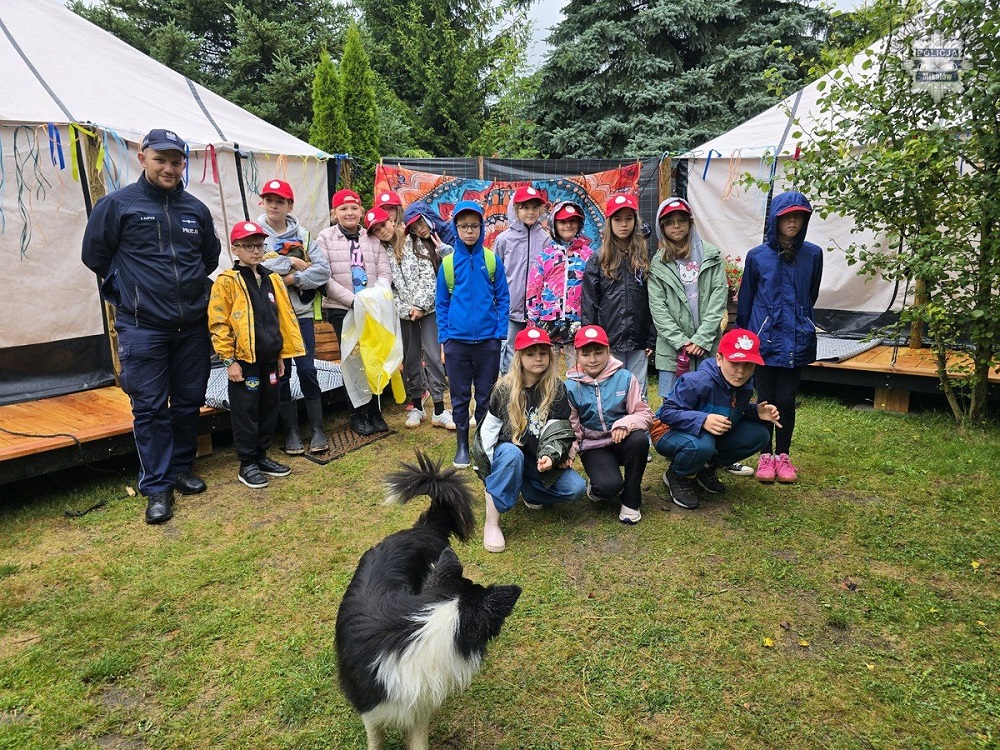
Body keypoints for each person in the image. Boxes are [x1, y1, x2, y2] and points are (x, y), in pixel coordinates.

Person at [82, 128, 221, 525]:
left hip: (191, 326)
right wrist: (130, 291)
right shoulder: (118, 205)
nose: (169, 168)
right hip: (143, 327)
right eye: (161, 159)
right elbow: (95, 255)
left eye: (176, 161)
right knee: (149, 407)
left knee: (188, 401)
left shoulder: (195, 209)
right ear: (142, 158)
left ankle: (180, 469)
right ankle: (157, 486)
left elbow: (208, 259)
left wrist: (190, 295)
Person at [209, 221, 306, 488]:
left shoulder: (272, 279)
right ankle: (247, 462)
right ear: (235, 249)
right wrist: (229, 360)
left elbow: (281, 319)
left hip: (270, 359)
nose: (255, 251)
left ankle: (262, 455)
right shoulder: (227, 282)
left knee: (268, 407)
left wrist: (281, 355)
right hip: (244, 361)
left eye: (259, 245)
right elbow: (219, 323)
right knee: (246, 411)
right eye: (248, 246)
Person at [475, 326, 587, 552]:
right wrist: (490, 476)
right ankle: (493, 521)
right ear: (519, 357)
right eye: (530, 353)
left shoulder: (556, 388)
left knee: (576, 488)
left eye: (543, 352)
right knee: (511, 453)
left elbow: (560, 429)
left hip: (537, 460)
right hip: (508, 456)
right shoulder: (503, 388)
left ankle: (528, 490)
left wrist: (551, 456)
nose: (538, 358)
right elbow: (487, 433)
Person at [736, 191, 823, 484]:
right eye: (787, 216)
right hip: (764, 340)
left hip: (795, 338)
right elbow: (747, 299)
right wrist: (746, 338)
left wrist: (803, 322)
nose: (793, 221)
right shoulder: (757, 257)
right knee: (765, 398)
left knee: (786, 400)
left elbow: (811, 293)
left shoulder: (813, 254)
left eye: (799, 216)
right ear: (776, 219)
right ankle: (765, 454)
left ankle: (783, 455)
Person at [654, 328, 781, 509]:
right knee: (702, 444)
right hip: (667, 432)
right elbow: (667, 413)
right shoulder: (697, 381)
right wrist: (703, 420)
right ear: (719, 359)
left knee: (760, 435)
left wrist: (756, 412)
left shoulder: (745, 384)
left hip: (708, 435)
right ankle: (677, 475)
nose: (740, 372)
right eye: (734, 363)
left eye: (748, 365)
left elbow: (737, 409)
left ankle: (704, 469)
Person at [257, 179, 331, 455]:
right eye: (269, 200)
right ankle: (290, 433)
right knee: (282, 373)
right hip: (272, 316)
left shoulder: (305, 235)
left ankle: (317, 429)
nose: (274, 205)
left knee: (308, 369)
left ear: (289, 205)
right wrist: (292, 261)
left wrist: (292, 277)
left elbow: (322, 272)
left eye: (280, 201)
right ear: (262, 202)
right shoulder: (256, 234)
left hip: (300, 315)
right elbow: (258, 266)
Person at [435, 200, 509, 468]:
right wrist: (445, 336)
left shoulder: (491, 260)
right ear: (455, 228)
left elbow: (502, 296)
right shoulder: (447, 264)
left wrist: (498, 333)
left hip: (488, 342)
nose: (469, 231)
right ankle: (462, 446)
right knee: (459, 396)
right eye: (464, 226)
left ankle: (481, 444)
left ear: (481, 228)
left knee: (486, 396)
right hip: (457, 343)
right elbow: (441, 303)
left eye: (474, 226)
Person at [317, 188, 392, 436]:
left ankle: (374, 409)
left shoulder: (372, 237)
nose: (349, 212)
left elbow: (384, 272)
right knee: (352, 358)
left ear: (361, 210)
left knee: (372, 356)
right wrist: (352, 301)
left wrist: (374, 298)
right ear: (334, 213)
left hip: (371, 307)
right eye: (343, 208)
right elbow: (324, 277)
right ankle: (356, 412)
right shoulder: (325, 238)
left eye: (353, 208)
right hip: (342, 308)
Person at [565, 325, 653, 524]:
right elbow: (572, 427)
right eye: (586, 354)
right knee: (607, 487)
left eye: (598, 352)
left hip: (622, 440)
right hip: (594, 446)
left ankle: (631, 500)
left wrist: (625, 423)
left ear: (608, 350)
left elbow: (644, 413)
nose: (593, 359)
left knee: (639, 439)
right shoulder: (570, 387)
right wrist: (569, 453)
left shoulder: (625, 378)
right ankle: (597, 486)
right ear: (577, 355)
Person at [378, 206, 454, 431]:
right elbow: (388, 286)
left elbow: (428, 274)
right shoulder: (381, 252)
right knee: (410, 358)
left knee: (432, 354)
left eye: (384, 224)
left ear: (392, 221)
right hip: (404, 314)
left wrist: (420, 305)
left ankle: (440, 408)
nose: (382, 230)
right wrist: (405, 309)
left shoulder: (415, 242)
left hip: (428, 310)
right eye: (376, 229)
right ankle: (417, 406)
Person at [648, 197, 728, 401]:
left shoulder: (711, 255)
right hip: (672, 350)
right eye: (669, 221)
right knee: (673, 403)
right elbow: (658, 308)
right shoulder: (658, 263)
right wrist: (681, 342)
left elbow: (718, 299)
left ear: (690, 223)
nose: (676, 226)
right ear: (661, 227)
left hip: (707, 346)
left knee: (708, 400)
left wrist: (701, 339)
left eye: (681, 220)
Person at [581, 193, 655, 396]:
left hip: (638, 338)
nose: (624, 224)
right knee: (613, 391)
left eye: (629, 219)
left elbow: (653, 300)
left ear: (635, 221)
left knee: (638, 390)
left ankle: (639, 426)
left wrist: (651, 337)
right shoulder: (598, 259)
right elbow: (589, 304)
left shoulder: (644, 257)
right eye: (618, 219)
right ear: (609, 223)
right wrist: (592, 340)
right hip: (609, 339)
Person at [525, 201, 594, 369]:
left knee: (578, 370)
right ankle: (549, 396)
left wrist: (591, 319)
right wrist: (533, 321)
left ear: (580, 223)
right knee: (547, 370)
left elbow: (593, 289)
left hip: (577, 322)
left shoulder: (588, 255)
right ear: (554, 224)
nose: (568, 225)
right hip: (548, 322)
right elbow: (534, 289)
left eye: (572, 221)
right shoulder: (545, 255)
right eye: (563, 221)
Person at [494, 185, 549, 373]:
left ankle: (532, 391)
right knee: (509, 349)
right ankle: (509, 391)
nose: (531, 212)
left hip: (537, 311)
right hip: (511, 308)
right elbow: (496, 273)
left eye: (535, 207)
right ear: (515, 209)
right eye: (525, 207)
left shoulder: (546, 239)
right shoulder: (504, 240)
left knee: (535, 351)